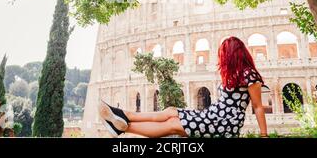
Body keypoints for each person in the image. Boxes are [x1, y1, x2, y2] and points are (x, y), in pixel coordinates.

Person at [99, 36, 268, 138]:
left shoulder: (249, 75)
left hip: (226, 124)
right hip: (213, 116)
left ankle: (124, 125)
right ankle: (124, 115)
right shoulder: (233, 74)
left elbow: (258, 106)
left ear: (232, 54)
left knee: (173, 124)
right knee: (172, 111)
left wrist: (263, 134)